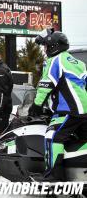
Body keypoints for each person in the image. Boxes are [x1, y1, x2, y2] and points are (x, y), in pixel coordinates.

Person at [28, 28, 87, 180]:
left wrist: (36, 105)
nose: (45, 50)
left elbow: (46, 84)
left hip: (68, 109)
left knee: (52, 137)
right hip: (83, 109)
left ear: (53, 46)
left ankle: (52, 177)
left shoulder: (55, 61)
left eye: (46, 46)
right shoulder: (79, 63)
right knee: (80, 140)